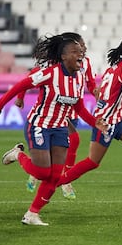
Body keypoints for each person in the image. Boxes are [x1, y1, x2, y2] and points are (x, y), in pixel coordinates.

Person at [0, 34, 108, 226]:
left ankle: (32, 214)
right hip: (39, 125)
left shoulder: (79, 77)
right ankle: (18, 155)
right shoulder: (50, 73)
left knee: (55, 176)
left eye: (81, 52)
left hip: (60, 128)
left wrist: (95, 123)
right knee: (43, 173)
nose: (80, 55)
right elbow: (21, 84)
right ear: (64, 56)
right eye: (75, 51)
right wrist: (0, 105)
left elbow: (79, 108)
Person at [57, 39, 122, 211]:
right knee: (92, 162)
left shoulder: (114, 68)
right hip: (105, 122)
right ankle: (56, 183)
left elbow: (102, 92)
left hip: (119, 119)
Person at [16, 32, 99, 199]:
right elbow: (31, 76)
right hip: (58, 109)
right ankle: (65, 180)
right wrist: (20, 97)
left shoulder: (86, 63)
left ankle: (38, 171)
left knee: (60, 148)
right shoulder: (56, 64)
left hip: (74, 106)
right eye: (80, 45)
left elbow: (90, 83)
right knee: (74, 140)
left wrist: (97, 92)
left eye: (83, 45)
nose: (84, 48)